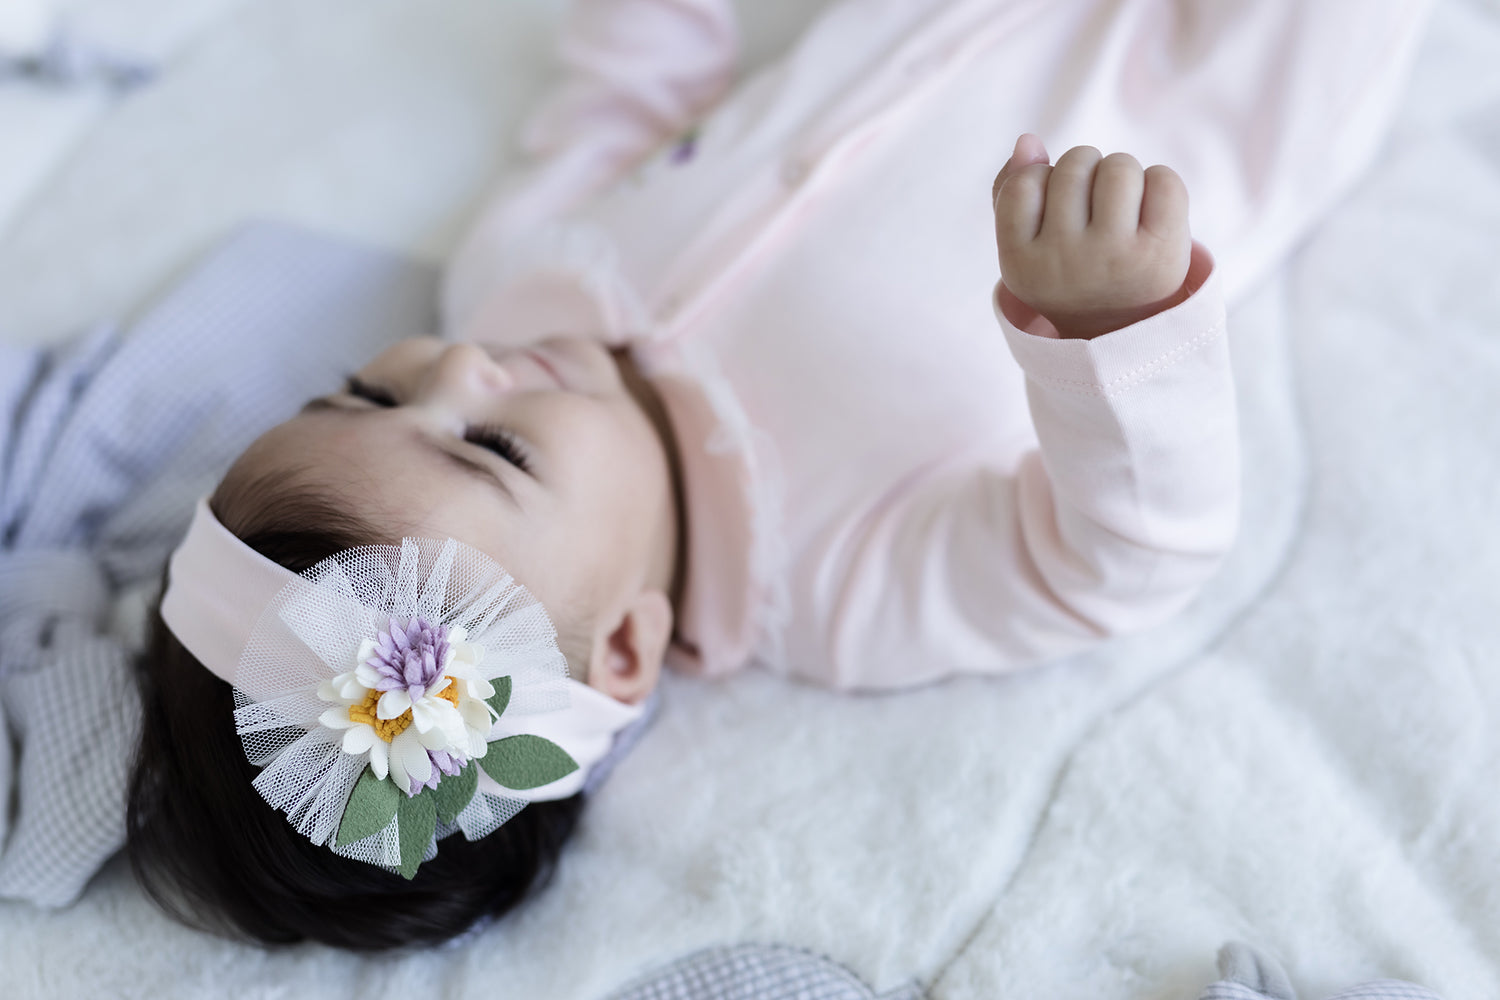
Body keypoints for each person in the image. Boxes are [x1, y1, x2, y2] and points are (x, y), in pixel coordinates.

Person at [125, 0, 1429, 951]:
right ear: (625, 650)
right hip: (1229, 78)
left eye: (368, 390)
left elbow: (626, 106)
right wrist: (1112, 333)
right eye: (494, 448)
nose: (462, 366)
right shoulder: (839, 580)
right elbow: (1118, 557)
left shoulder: (514, 274)